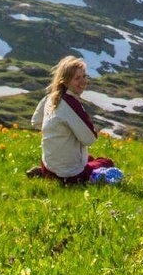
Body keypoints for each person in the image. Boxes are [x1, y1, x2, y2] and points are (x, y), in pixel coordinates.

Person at [28, 56, 118, 184]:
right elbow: (90, 139)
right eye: (77, 78)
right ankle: (71, 177)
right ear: (65, 81)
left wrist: (59, 131)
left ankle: (45, 174)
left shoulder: (50, 97)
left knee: (89, 158)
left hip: (48, 166)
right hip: (69, 174)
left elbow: (36, 121)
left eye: (84, 76)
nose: (83, 81)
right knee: (106, 162)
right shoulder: (71, 103)